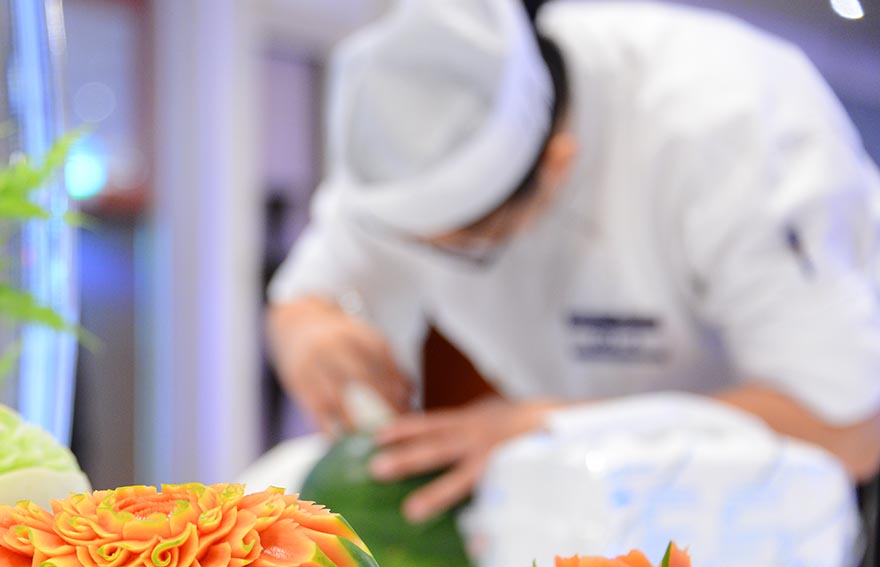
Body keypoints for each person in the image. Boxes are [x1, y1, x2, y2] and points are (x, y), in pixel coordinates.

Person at [266, 0, 880, 524]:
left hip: (775, 524)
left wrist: (552, 430)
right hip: (575, 517)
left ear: (557, 166)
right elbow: (304, 301)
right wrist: (313, 336)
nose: (429, 260)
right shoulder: (403, 137)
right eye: (414, 242)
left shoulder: (726, 124)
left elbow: (847, 430)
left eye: (469, 242)